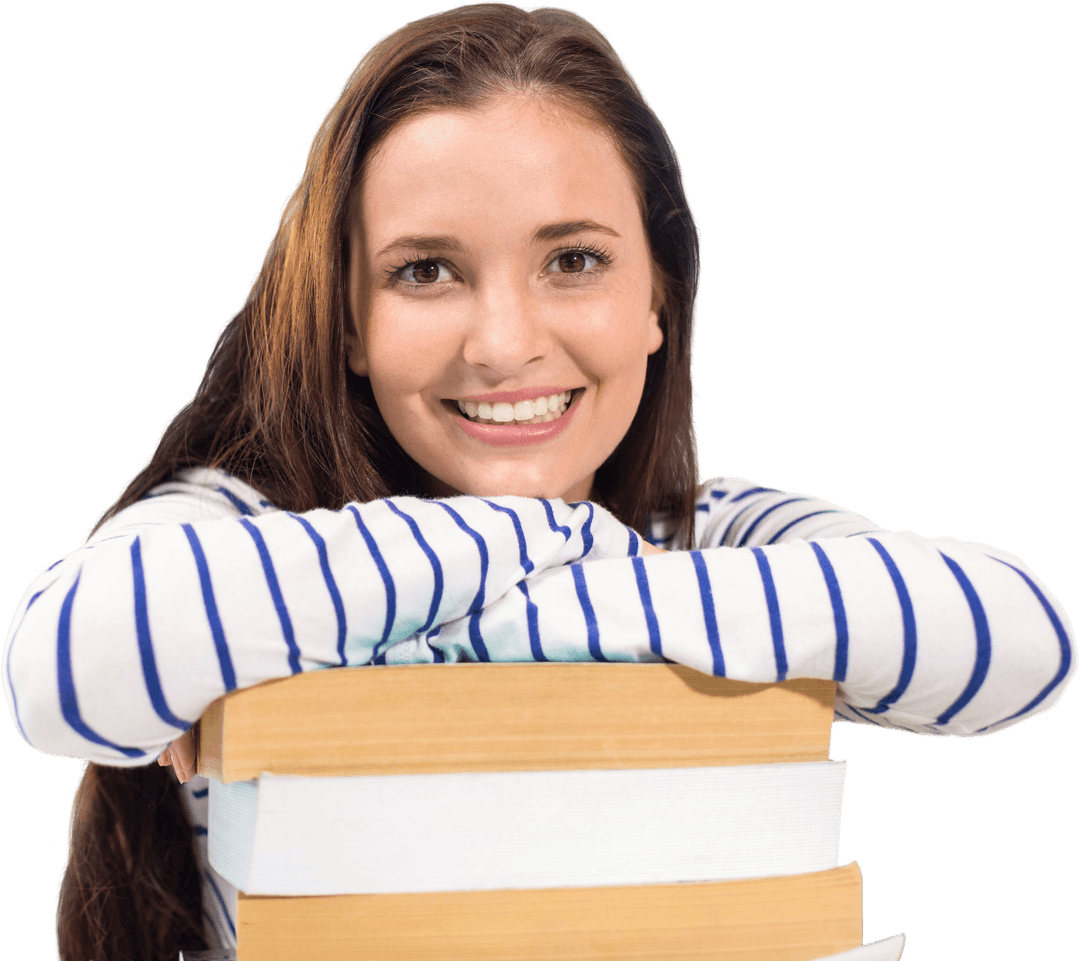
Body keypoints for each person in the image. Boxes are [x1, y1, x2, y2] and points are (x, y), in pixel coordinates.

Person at [2, 3, 1074, 958]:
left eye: (574, 260)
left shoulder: (700, 527)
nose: (504, 345)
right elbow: (64, 668)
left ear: (660, 296)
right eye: (425, 271)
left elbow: (1020, 643)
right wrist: (526, 538)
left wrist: (579, 585)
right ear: (350, 323)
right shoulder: (240, 518)